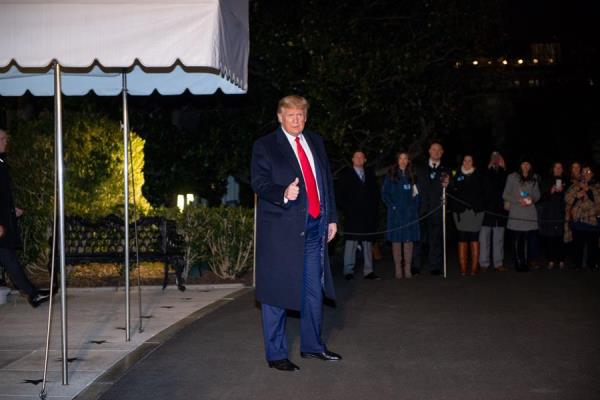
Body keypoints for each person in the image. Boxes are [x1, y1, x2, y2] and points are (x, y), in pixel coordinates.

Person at [251, 95, 341, 372]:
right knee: (277, 291)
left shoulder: (315, 141)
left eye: (300, 115)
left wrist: (331, 218)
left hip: (315, 226)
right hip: (282, 231)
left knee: (314, 290)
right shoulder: (265, 145)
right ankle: (276, 354)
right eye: (290, 115)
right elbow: (259, 182)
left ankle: (313, 347)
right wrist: (283, 193)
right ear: (280, 116)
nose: (296, 120)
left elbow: (325, 181)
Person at [0, 128, 50, 307]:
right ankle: (32, 294)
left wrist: (12, 210)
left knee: (8, 257)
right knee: (8, 257)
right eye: (3, 138)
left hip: (5, 219)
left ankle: (32, 293)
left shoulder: (1, 161)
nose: (6, 141)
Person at [336, 151, 380, 280]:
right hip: (352, 215)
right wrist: (347, 209)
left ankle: (369, 271)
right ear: (352, 159)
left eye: (362, 157)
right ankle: (348, 271)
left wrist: (374, 210)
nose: (359, 159)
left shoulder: (370, 174)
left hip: (368, 215)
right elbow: (339, 195)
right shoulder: (346, 175)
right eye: (357, 157)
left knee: (367, 243)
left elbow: (375, 194)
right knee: (351, 243)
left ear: (365, 160)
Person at [413, 141, 450, 275]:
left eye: (438, 150)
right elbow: (413, 185)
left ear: (442, 152)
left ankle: (435, 266)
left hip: (437, 209)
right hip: (421, 208)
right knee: (418, 238)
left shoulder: (445, 170)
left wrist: (448, 186)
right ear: (429, 151)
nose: (435, 152)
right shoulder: (419, 168)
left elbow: (449, 190)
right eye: (433, 149)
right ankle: (415, 266)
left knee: (435, 238)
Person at [382, 152, 420, 279]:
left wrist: (414, 207)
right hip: (395, 214)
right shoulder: (391, 175)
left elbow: (417, 195)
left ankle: (408, 269)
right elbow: (385, 194)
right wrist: (392, 206)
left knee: (408, 241)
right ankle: (398, 269)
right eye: (401, 158)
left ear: (408, 161)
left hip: (410, 214)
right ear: (397, 160)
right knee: (396, 241)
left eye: (405, 159)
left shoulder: (412, 175)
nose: (403, 161)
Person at [449, 154, 484, 276]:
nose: (467, 162)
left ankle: (474, 269)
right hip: (460, 213)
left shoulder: (479, 174)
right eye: (465, 160)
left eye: (470, 160)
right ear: (462, 162)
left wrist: (478, 205)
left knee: (474, 238)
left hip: (475, 212)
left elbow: (484, 192)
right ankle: (463, 269)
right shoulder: (456, 174)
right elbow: (451, 190)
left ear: (473, 162)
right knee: (462, 238)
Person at [503, 157, 540, 272]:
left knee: (527, 239)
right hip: (517, 212)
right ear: (520, 165)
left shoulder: (534, 177)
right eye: (524, 163)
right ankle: (518, 263)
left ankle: (526, 262)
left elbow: (537, 195)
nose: (526, 166)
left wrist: (531, 199)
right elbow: (505, 194)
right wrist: (517, 199)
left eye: (528, 164)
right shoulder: (512, 177)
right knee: (517, 239)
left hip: (529, 213)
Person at [564, 164, 600, 270]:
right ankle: (577, 264)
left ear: (592, 174)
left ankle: (592, 264)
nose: (585, 174)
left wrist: (588, 190)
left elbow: (598, 203)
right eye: (583, 172)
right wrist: (576, 196)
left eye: (588, 172)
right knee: (577, 245)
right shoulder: (575, 186)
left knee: (592, 246)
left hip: (592, 221)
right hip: (578, 221)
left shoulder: (597, 186)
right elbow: (567, 198)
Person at [479, 151, 508, 272]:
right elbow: (483, 189)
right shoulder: (484, 172)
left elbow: (507, 188)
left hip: (500, 211)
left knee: (499, 239)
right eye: (493, 157)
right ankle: (484, 263)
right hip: (486, 211)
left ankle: (498, 263)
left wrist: (504, 168)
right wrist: (488, 169)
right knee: (484, 239)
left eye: (498, 157)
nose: (495, 159)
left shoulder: (505, 173)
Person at [538, 162, 567, 269]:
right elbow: (540, 197)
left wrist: (563, 191)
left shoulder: (566, 181)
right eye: (556, 167)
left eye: (560, 167)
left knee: (561, 236)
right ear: (553, 168)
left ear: (562, 169)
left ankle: (561, 260)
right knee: (550, 236)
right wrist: (551, 191)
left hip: (561, 212)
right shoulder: (546, 180)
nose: (558, 169)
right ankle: (550, 260)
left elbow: (570, 198)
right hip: (549, 212)